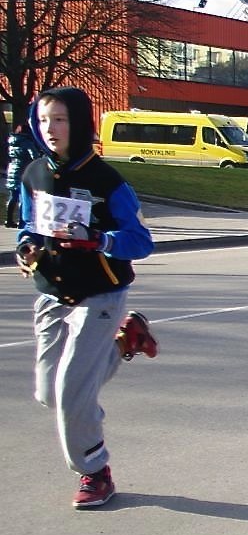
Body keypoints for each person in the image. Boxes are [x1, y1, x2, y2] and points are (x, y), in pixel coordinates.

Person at [14, 86, 156, 508]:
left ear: (78, 123)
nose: (51, 129)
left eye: (60, 119)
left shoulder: (106, 181)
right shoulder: (34, 174)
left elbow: (141, 241)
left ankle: (94, 471)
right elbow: (29, 225)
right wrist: (26, 248)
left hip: (101, 294)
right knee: (49, 393)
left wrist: (100, 240)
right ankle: (125, 340)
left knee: (72, 391)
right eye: (44, 120)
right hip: (53, 293)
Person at [6, 123, 41, 228]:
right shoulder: (27, 142)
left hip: (12, 168)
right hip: (23, 170)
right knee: (23, 197)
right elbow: (34, 156)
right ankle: (22, 222)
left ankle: (9, 220)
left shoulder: (12, 141)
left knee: (13, 197)